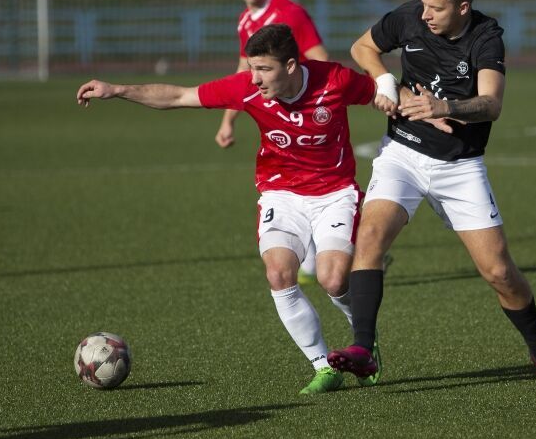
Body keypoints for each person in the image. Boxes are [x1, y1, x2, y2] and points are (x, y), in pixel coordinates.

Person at [327, 0, 536, 383]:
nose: (425, 14)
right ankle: (363, 347)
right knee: (371, 236)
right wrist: (383, 82)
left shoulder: (487, 38)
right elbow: (363, 47)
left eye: (436, 8)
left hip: (460, 166)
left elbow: (492, 104)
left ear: (464, 7)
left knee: (499, 272)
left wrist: (443, 106)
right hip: (403, 154)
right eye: (424, 5)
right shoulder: (408, 17)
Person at [77, 24, 379, 394]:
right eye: (252, 68)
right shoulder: (247, 88)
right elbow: (179, 96)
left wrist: (435, 111)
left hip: (335, 193)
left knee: (333, 280)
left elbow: (382, 93)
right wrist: (118, 90)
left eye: (263, 69)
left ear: (290, 65)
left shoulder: (334, 79)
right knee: (279, 275)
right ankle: (323, 367)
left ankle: (364, 345)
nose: (254, 78)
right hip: (280, 194)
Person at [218, 0, 330, 286]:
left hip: (307, 113)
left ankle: (348, 248)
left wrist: (314, 100)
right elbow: (242, 73)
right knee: (290, 182)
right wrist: (228, 120)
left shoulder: (289, 13)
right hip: (273, 115)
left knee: (319, 183)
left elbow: (319, 57)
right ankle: (319, 258)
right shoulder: (245, 20)